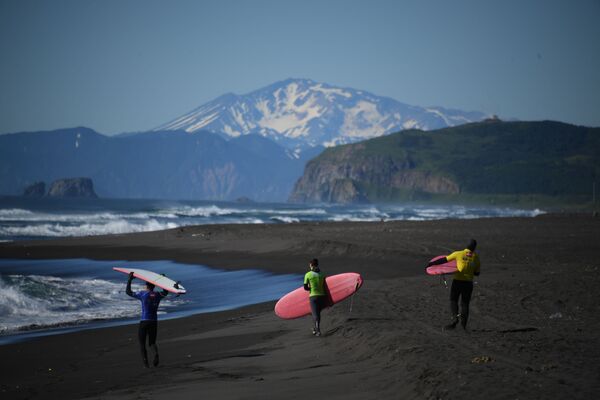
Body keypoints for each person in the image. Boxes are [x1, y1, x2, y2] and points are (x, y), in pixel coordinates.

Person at [427, 239, 480, 330]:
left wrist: (431, 264)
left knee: (453, 300)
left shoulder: (458, 253)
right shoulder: (476, 257)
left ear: (466, 246)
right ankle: (464, 325)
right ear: (474, 248)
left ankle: (455, 319)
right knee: (465, 304)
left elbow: (444, 260)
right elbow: (477, 273)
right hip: (468, 283)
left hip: (458, 282)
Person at [126, 272, 169, 367]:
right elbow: (165, 292)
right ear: (153, 286)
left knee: (142, 344)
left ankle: (146, 364)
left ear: (146, 286)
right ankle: (156, 354)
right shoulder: (158, 295)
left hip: (144, 321)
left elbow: (128, 292)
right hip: (154, 322)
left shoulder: (142, 294)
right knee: (152, 342)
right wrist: (163, 280)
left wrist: (129, 280)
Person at [303, 258, 327, 337]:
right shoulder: (322, 274)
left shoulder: (308, 274)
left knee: (315, 314)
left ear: (311, 265)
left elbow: (305, 288)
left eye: (310, 265)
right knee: (317, 314)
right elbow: (325, 286)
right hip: (322, 296)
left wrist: (311, 288)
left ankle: (318, 331)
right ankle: (315, 328)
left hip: (313, 296)